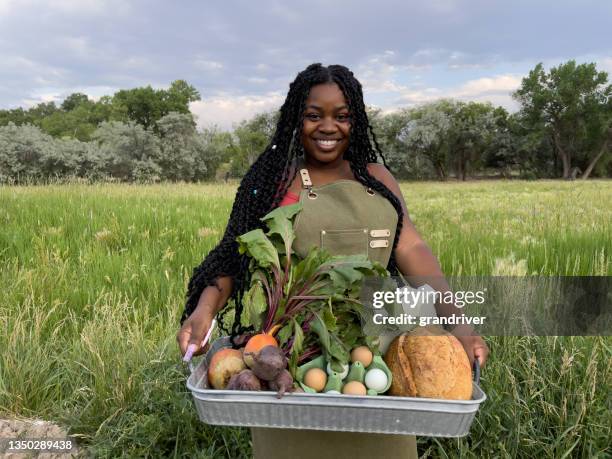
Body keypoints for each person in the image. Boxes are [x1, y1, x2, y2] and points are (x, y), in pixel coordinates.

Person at [177, 63, 489, 459]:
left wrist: (457, 322)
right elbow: (231, 259)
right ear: (296, 119)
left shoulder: (378, 179)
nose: (329, 127)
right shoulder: (277, 181)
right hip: (293, 356)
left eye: (342, 116)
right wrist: (203, 311)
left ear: (354, 121)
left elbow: (411, 250)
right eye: (314, 115)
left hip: (377, 351)